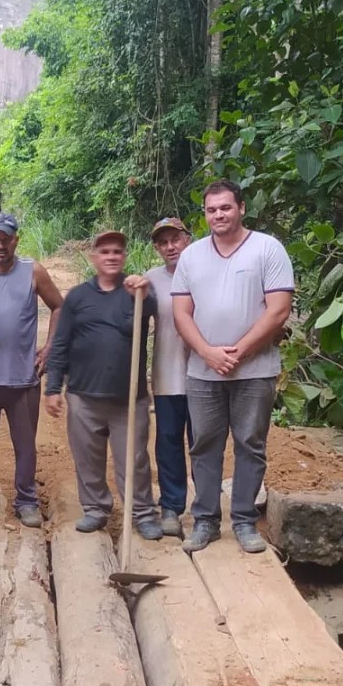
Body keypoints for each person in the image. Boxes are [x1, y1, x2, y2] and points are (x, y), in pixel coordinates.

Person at [172, 179, 294, 554]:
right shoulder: (192, 255)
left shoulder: (267, 249)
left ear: (241, 207)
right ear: (205, 214)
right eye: (211, 210)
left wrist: (238, 351)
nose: (218, 215)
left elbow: (279, 310)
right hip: (203, 371)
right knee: (204, 444)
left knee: (250, 444)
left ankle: (243, 521)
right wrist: (208, 352)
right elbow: (181, 311)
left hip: (255, 371)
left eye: (225, 207)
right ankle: (205, 521)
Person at [44, 230, 163, 540]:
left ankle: (142, 513)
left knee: (134, 460)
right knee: (87, 458)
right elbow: (60, 344)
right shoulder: (78, 297)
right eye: (105, 252)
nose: (112, 257)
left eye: (117, 252)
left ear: (124, 257)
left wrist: (144, 292)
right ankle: (96, 509)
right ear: (94, 258)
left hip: (128, 398)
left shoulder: (135, 293)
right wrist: (53, 388)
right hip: (84, 396)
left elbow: (152, 310)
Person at [0, 212, 64, 529]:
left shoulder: (33, 272)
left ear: (16, 239)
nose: (0, 245)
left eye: (6, 238)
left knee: (25, 443)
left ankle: (27, 500)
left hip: (23, 378)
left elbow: (59, 306)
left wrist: (49, 349)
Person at [145, 217, 194, 537]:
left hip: (206, 377)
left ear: (187, 238)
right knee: (168, 443)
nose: (170, 246)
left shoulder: (207, 270)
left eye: (174, 239)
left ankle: (206, 511)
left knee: (204, 445)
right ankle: (172, 508)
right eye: (163, 242)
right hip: (166, 375)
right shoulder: (151, 279)